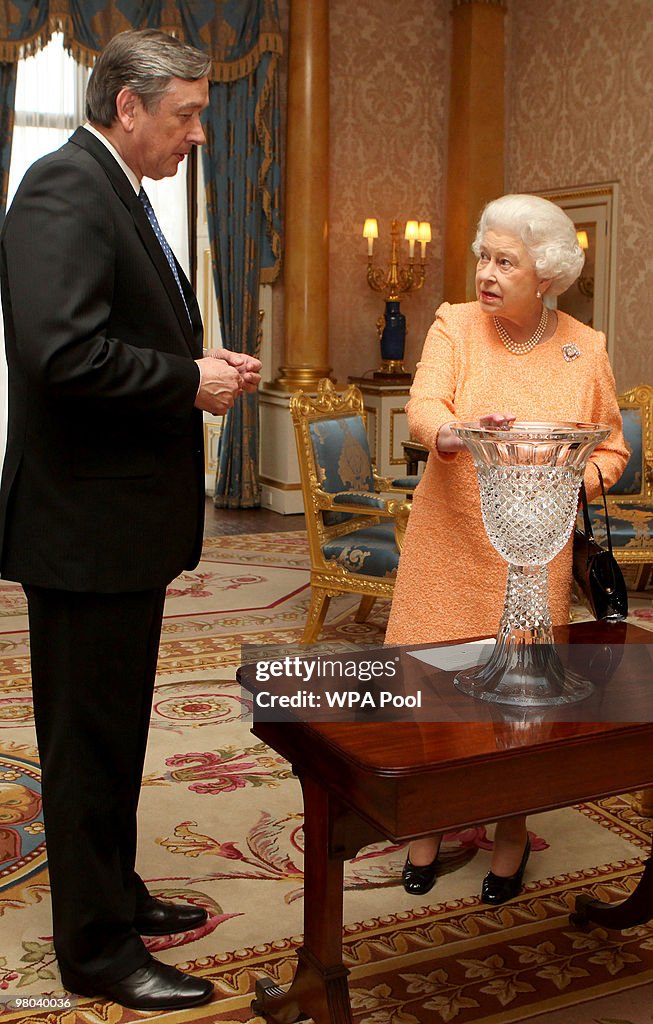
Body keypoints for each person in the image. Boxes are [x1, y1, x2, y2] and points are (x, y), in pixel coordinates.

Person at [0, 29, 261, 1012]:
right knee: (86, 745)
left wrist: (197, 369)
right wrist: (187, 379)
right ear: (128, 107)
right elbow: (59, 354)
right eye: (188, 113)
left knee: (112, 736)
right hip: (83, 533)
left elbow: (120, 340)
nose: (198, 132)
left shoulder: (117, 192)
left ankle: (118, 893)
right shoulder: (65, 188)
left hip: (114, 531)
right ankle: (98, 949)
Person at [386, 193, 628, 904]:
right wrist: (455, 433)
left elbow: (609, 448)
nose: (485, 273)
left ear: (545, 274)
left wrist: (563, 481)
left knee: (518, 698)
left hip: (531, 553)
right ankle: (429, 822)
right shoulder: (454, 325)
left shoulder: (586, 346)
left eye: (504, 261)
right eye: (482, 258)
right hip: (448, 536)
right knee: (432, 685)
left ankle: (511, 830)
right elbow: (422, 406)